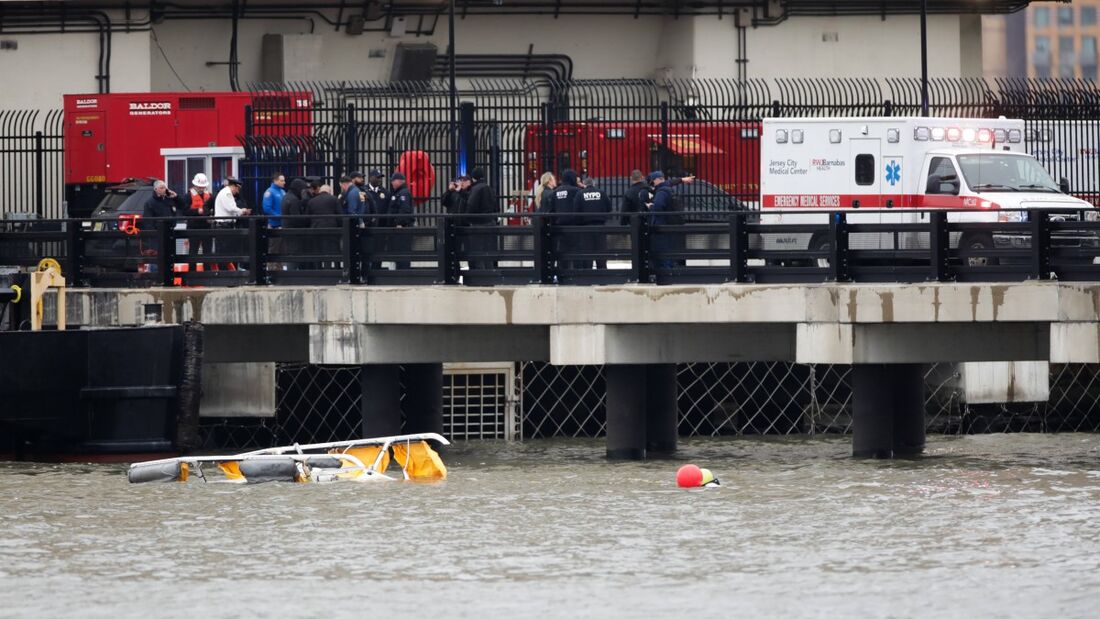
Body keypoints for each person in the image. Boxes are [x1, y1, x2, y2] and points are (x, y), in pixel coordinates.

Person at [539, 168, 584, 270]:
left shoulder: (556, 192)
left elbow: (551, 210)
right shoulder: (577, 191)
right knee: (577, 252)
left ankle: (562, 275)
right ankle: (577, 274)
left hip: (560, 228)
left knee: (562, 253)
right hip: (575, 227)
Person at [140, 180, 184, 269]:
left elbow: (183, 205)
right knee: (156, 257)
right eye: (161, 188)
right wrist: (153, 236)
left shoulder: (169, 199)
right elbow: (148, 222)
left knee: (170, 256)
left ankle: (169, 276)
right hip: (157, 234)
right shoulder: (150, 203)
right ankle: (155, 277)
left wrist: (176, 197)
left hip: (170, 232)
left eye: (165, 187)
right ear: (155, 189)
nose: (164, 190)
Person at [575, 175, 613, 270]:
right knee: (601, 251)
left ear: (584, 184)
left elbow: (575, 210)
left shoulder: (580, 194)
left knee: (587, 252)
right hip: (600, 226)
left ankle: (588, 273)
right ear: (594, 184)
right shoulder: (601, 193)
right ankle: (602, 272)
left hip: (585, 227)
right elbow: (609, 208)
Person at [213, 177, 251, 271]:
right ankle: (225, 274)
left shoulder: (225, 192)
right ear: (234, 186)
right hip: (224, 226)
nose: (237, 192)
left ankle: (227, 273)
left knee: (226, 251)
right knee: (225, 252)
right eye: (237, 189)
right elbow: (231, 208)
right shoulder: (227, 193)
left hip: (224, 225)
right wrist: (242, 211)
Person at [464, 168, 499, 271]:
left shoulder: (476, 189)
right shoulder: (489, 188)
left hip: (478, 224)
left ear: (473, 178)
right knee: (488, 253)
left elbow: (471, 206)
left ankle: (481, 275)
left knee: (478, 252)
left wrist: (467, 218)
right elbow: (496, 207)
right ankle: (489, 275)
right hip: (490, 223)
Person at [647, 171, 683, 271]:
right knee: (669, 252)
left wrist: (651, 206)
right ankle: (670, 271)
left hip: (661, 226)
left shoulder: (661, 192)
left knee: (662, 252)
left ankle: (665, 274)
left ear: (658, 180)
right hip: (670, 225)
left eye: (652, 181)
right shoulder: (670, 190)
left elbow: (658, 207)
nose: (652, 184)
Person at [182, 173, 214, 270]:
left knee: (207, 252)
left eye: (203, 187)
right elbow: (184, 211)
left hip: (207, 227)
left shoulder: (210, 196)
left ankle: (207, 273)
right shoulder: (188, 196)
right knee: (193, 252)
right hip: (193, 227)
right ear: (195, 185)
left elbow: (214, 208)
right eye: (200, 187)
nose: (201, 189)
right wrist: (197, 211)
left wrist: (211, 217)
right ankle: (192, 274)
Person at [307, 184, 343, 269]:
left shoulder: (312, 201)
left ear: (320, 191)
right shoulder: (334, 199)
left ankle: (318, 270)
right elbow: (340, 215)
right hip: (331, 229)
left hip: (316, 228)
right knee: (332, 250)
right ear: (329, 191)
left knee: (317, 250)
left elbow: (307, 216)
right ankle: (332, 269)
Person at [386, 172, 415, 270]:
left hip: (402, 228)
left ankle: (403, 273)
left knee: (403, 251)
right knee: (398, 251)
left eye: (393, 181)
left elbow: (405, 210)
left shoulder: (403, 193)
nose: (392, 183)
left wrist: (400, 223)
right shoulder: (398, 192)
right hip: (397, 229)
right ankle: (400, 270)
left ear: (399, 181)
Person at [280, 178, 310, 268]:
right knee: (294, 253)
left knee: (291, 253)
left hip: (287, 229)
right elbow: (296, 218)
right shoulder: (293, 199)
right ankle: (292, 275)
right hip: (293, 231)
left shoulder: (286, 197)